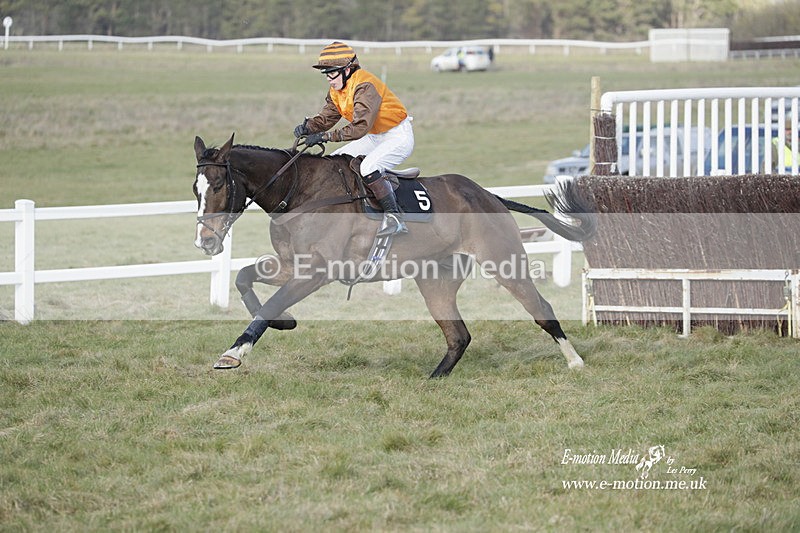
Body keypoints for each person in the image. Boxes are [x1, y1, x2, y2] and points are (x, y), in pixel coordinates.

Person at [294, 41, 414, 236]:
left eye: (331, 72)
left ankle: (395, 218)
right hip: (375, 136)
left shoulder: (365, 85)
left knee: (368, 168)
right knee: (334, 161)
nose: (329, 79)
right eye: (326, 74)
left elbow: (360, 127)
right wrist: (308, 127)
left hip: (397, 136)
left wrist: (325, 136)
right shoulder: (337, 89)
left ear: (348, 69)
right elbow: (327, 117)